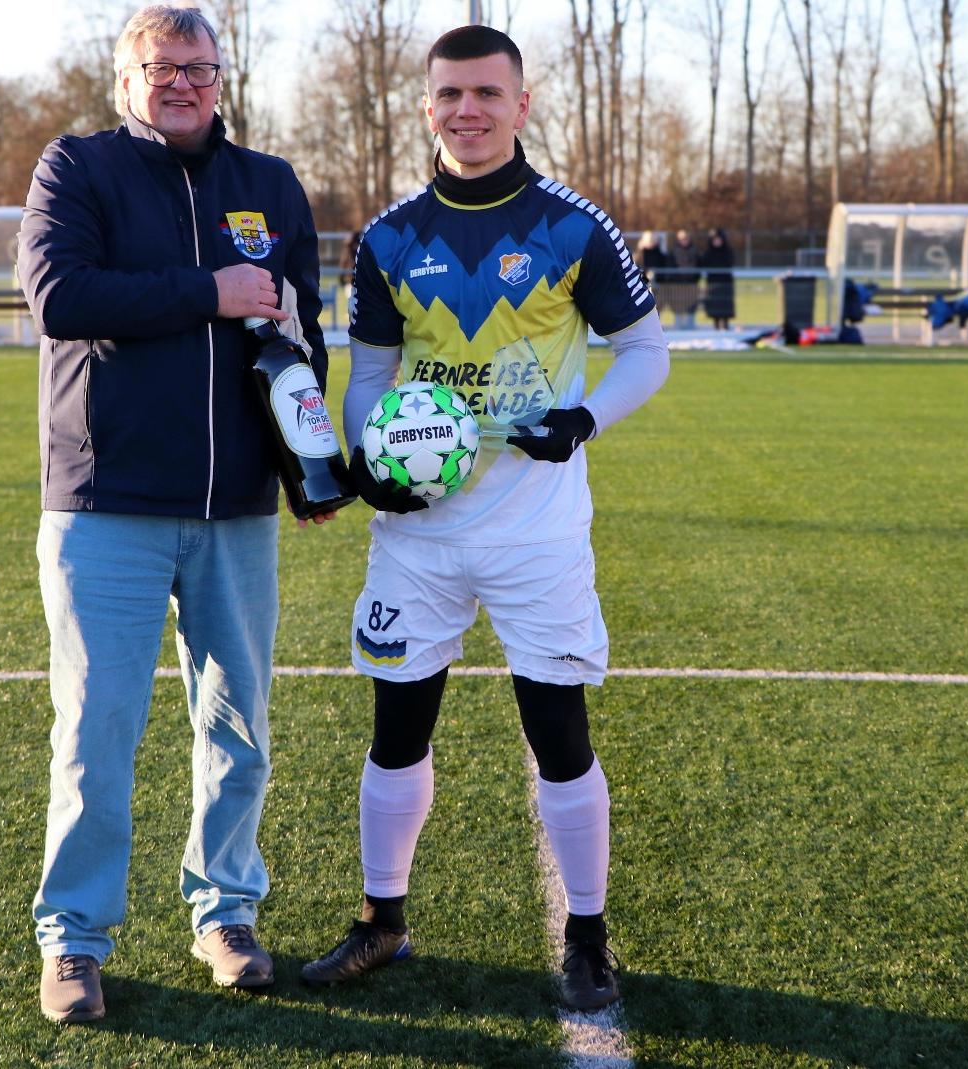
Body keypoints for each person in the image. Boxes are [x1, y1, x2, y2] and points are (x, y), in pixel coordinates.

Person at [300, 25, 670, 1014]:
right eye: (450, 94)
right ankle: (381, 918)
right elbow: (371, 373)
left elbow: (646, 351)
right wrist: (371, 461)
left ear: (521, 102)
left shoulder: (573, 225)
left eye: (487, 93)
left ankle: (587, 935)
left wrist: (584, 419)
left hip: (536, 531)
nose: (468, 110)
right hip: (418, 535)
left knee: (559, 732)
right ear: (427, 106)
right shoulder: (387, 237)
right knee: (396, 730)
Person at [16, 3, 331, 1025]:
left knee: (240, 728)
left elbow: (300, 339)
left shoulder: (269, 183)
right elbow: (61, 296)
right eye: (163, 67)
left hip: (235, 507)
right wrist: (210, 290)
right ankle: (73, 938)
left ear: (221, 77)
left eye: (200, 66)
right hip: (105, 500)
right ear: (127, 81)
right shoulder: (78, 168)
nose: (184, 82)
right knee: (96, 731)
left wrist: (306, 467)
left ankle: (226, 913)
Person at [660, 228, 699, 329]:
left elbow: (698, 265)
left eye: (685, 238)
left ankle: (690, 328)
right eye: (681, 238)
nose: (684, 240)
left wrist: (694, 277)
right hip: (677, 284)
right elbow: (670, 266)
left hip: (691, 284)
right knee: (678, 307)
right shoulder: (673, 252)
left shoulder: (694, 251)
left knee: (691, 307)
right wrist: (675, 278)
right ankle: (678, 328)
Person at [700, 228, 736, 329]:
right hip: (713, 283)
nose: (717, 241)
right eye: (715, 239)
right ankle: (716, 327)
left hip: (725, 283)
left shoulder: (727, 252)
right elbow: (704, 264)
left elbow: (730, 263)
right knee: (714, 308)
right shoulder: (708, 253)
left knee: (725, 308)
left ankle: (725, 326)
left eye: (719, 239)